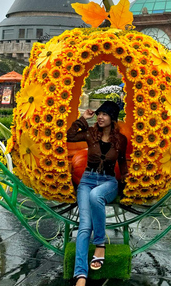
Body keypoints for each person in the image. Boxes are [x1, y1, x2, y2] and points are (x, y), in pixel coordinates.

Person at [67, 101, 128, 286]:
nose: (100, 117)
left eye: (105, 114)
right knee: (84, 226)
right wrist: (82, 119)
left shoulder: (121, 140)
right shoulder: (91, 134)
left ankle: (100, 244)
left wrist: (128, 185)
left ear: (112, 118)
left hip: (108, 182)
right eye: (99, 114)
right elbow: (70, 136)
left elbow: (123, 164)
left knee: (96, 196)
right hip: (86, 181)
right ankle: (81, 276)